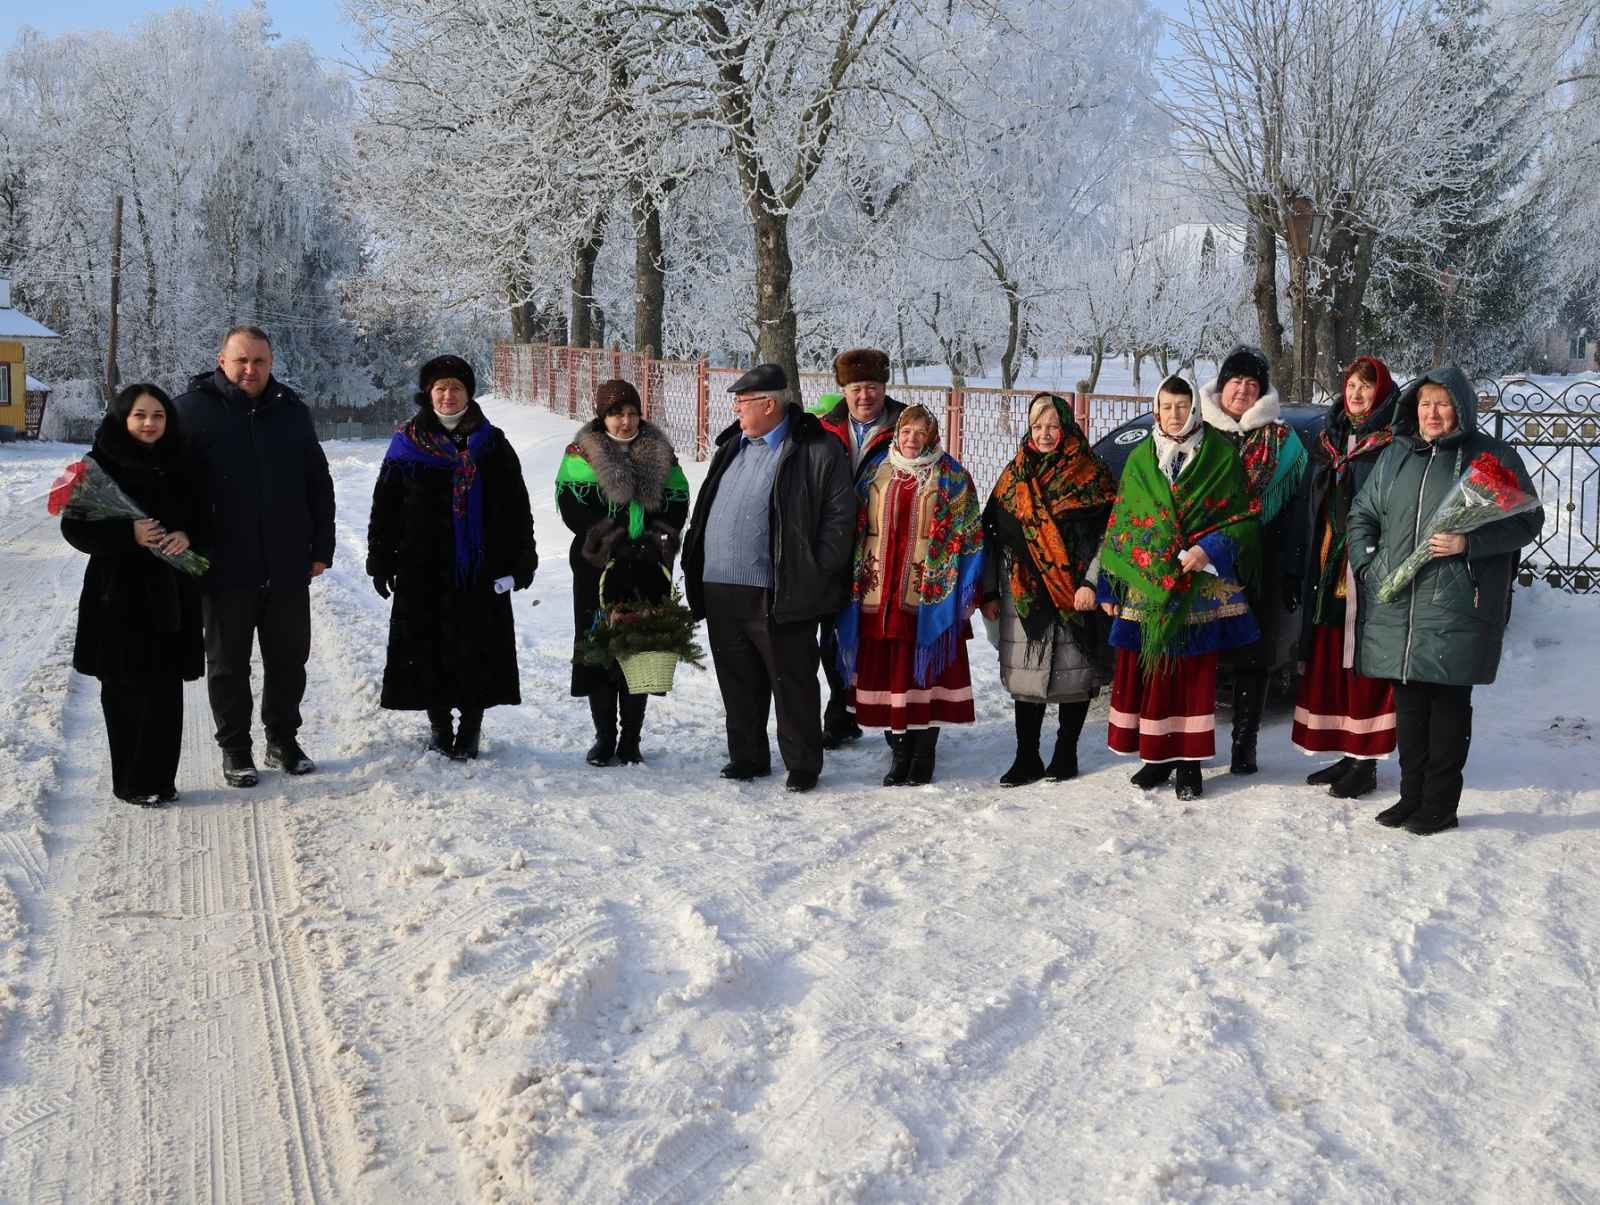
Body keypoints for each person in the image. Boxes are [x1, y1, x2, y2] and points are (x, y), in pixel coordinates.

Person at [1347, 366, 1542, 835]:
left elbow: (1526, 521)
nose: (1432, 413)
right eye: (1425, 404)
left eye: (1442, 403)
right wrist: (1369, 566)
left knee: (1448, 709)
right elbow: (1362, 514)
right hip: (1399, 603)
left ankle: (1439, 805)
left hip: (1457, 603)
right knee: (1410, 709)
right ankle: (1410, 797)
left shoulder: (1490, 459)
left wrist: (1468, 544)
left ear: (1460, 407)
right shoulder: (1396, 456)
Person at [682, 363, 855, 793]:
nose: (737, 409)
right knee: (737, 677)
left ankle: (802, 763)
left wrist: (815, 570)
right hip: (721, 584)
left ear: (769, 404)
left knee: (791, 677)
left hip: (781, 587)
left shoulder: (814, 448)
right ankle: (748, 756)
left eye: (743, 402)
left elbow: (840, 517)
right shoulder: (732, 446)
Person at [174, 326, 335, 787]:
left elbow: (317, 483)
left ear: (271, 364)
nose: (251, 370)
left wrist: (321, 546)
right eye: (241, 360)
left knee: (288, 659)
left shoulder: (291, 412)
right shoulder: (191, 412)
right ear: (221, 360)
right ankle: (236, 748)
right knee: (228, 665)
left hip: (286, 563)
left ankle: (283, 739)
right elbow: (169, 484)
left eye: (260, 361)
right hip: (222, 566)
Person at [1097, 375, 1261, 800]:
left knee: (1193, 677)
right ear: (1156, 408)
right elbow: (1123, 525)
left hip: (1198, 588)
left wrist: (1208, 549)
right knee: (1152, 673)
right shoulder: (1139, 459)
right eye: (1167, 406)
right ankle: (1157, 757)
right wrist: (1112, 587)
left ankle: (1189, 763)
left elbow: (1243, 520)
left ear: (1195, 408)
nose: (1174, 415)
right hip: (1148, 589)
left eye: (1182, 406)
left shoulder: (1220, 455)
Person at [367, 356, 538, 759]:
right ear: (428, 393)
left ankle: (471, 728)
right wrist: (381, 559)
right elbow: (385, 507)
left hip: (479, 569)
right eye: (440, 388)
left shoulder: (492, 443)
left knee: (476, 649)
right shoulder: (406, 443)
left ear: (468, 393)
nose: (448, 395)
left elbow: (516, 506)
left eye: (456, 388)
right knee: (429, 649)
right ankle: (440, 726)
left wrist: (521, 559)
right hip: (421, 567)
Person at [61, 384, 205, 806]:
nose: (149, 423)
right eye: (140, 415)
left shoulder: (183, 461)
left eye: (158, 415)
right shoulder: (97, 467)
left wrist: (187, 534)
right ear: (123, 418)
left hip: (171, 594)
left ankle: (162, 779)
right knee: (124, 692)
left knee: (164, 691)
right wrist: (129, 533)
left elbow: (205, 514)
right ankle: (131, 783)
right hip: (118, 596)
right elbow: (75, 529)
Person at [836, 405, 984, 785]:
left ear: (932, 436)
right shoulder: (875, 471)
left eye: (920, 433)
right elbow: (851, 524)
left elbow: (970, 534)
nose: (912, 440)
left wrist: (966, 590)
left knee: (923, 678)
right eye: (906, 432)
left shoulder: (951, 476)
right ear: (896, 435)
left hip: (928, 596)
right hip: (876, 595)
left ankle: (924, 754)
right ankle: (898, 753)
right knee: (887, 677)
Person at [980, 393, 1116, 786]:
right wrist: (988, 591)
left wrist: (1093, 580)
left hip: (1075, 591)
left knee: (1075, 675)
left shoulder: (1091, 473)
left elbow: (1111, 534)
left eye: (1053, 426)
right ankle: (1026, 756)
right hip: (1023, 591)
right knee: (1026, 678)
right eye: (1037, 426)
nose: (1044, 434)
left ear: (1068, 426)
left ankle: (1066, 751)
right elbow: (992, 534)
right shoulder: (1014, 475)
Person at [556, 378, 690, 766]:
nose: (625, 421)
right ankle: (604, 736)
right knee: (600, 649)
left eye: (631, 413)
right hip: (597, 562)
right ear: (603, 416)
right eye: (616, 414)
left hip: (647, 564)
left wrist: (654, 540)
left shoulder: (660, 450)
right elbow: (570, 505)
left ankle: (631, 738)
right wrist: (612, 538)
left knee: (640, 645)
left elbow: (678, 500)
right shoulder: (581, 453)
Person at [1292, 356, 1401, 798]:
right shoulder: (1332, 437)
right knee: (1334, 656)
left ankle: (1367, 760)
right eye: (1351, 384)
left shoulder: (1395, 442)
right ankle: (1345, 749)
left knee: (1365, 664)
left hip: (1368, 568)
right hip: (1328, 563)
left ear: (1383, 391)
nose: (1356, 393)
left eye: (1366, 386)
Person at [1199, 345, 1308, 775]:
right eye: (1235, 381)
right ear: (1221, 386)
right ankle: (1191, 743)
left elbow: (1297, 514)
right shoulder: (1197, 434)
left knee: (1252, 659)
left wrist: (1291, 571)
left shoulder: (1284, 443)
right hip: (1201, 564)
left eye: (1252, 384)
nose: (1242, 390)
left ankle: (1245, 743)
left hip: (1261, 565)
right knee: (1198, 658)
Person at [812, 348, 906, 748]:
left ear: (884, 387)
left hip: (885, 548)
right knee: (832, 633)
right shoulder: (823, 428)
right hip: (834, 546)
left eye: (871, 387)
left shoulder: (907, 426)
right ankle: (842, 707)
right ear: (843, 391)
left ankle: (889, 715)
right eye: (855, 388)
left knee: (881, 634)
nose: (863, 396)